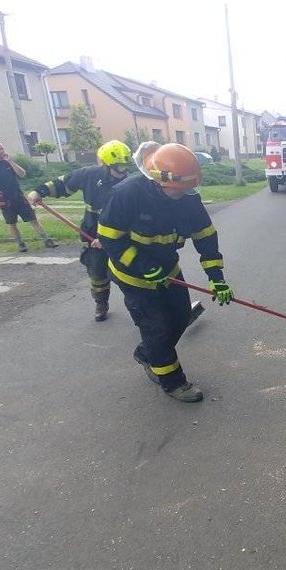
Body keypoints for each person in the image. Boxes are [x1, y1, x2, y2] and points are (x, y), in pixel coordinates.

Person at [97, 142, 233, 403]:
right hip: (132, 276)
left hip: (168, 269)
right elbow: (110, 239)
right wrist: (144, 267)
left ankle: (148, 353)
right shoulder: (127, 194)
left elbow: (206, 238)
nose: (186, 192)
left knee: (181, 317)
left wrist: (218, 279)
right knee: (157, 328)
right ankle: (173, 382)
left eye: (189, 187)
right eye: (181, 188)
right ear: (161, 181)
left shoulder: (188, 199)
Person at [27, 139, 132, 321]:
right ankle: (101, 302)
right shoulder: (89, 175)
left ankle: (140, 307)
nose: (122, 173)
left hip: (121, 239)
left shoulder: (131, 184)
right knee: (97, 273)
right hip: (92, 235)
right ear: (106, 164)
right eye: (119, 168)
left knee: (130, 274)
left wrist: (108, 240)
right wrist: (38, 192)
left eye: (125, 167)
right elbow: (62, 184)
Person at [0, 141, 58, 253]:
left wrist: (10, 161)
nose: (1, 151)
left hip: (18, 196)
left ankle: (47, 240)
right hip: (4, 198)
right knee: (12, 223)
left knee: (33, 219)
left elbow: (22, 174)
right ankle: (21, 244)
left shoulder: (8, 162)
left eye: (2, 148)